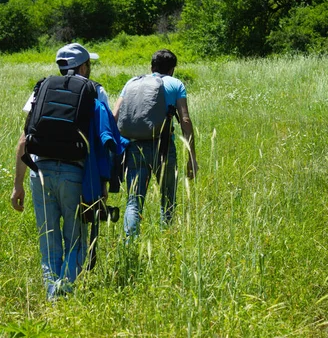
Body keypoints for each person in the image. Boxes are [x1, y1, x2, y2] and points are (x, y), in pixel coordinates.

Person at [11, 43, 114, 300]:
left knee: (49, 240)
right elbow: (103, 141)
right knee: (76, 239)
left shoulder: (42, 88)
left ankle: (52, 295)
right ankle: (62, 293)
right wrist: (103, 185)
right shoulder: (94, 91)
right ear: (82, 66)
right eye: (89, 64)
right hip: (75, 174)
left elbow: (24, 141)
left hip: (40, 173)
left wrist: (18, 185)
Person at [112, 49, 198, 238]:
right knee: (168, 199)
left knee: (134, 201)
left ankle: (130, 245)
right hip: (164, 147)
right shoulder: (176, 84)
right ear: (172, 69)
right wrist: (192, 157)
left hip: (134, 147)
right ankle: (166, 239)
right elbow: (185, 120)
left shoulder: (131, 83)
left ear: (152, 67)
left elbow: (114, 116)